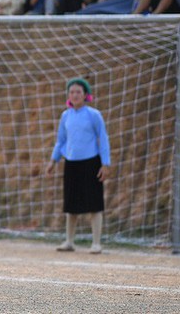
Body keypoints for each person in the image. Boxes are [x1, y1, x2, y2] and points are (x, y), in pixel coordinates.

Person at [46, 78, 111, 254]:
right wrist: (53, 160)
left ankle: (96, 243)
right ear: (68, 95)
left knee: (94, 204)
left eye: (78, 92)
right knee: (71, 204)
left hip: (91, 163)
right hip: (71, 164)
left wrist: (105, 164)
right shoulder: (65, 115)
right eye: (72, 92)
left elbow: (103, 138)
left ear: (85, 95)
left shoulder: (94, 115)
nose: (75, 95)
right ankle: (69, 241)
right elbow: (61, 140)